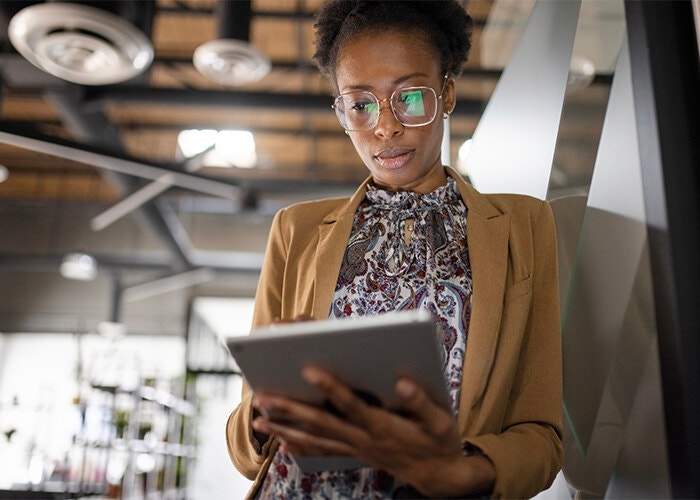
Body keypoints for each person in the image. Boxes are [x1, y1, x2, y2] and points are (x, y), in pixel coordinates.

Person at [226, 1, 563, 498]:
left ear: (446, 92)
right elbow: (242, 448)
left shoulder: (522, 227)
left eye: (409, 98)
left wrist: (463, 473)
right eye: (360, 104)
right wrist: (262, 413)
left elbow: (541, 435)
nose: (384, 127)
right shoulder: (296, 230)